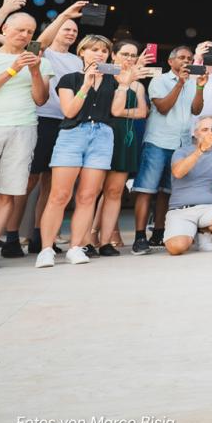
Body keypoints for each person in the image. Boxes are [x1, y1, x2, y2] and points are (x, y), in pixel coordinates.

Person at [36, 35, 136, 267]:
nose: (99, 54)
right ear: (82, 52)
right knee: (59, 195)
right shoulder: (69, 79)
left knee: (88, 196)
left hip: (102, 136)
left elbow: (116, 111)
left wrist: (124, 85)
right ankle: (46, 249)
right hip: (73, 134)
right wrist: (86, 85)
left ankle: (76, 247)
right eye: (93, 49)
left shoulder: (113, 80)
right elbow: (69, 111)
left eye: (103, 50)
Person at [5, 0, 80, 257]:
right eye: (66, 28)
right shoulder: (43, 52)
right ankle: (12, 236)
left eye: (74, 30)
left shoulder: (77, 60)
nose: (70, 32)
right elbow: (42, 42)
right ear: (55, 30)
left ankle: (40, 236)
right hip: (43, 119)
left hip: (67, 122)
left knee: (51, 182)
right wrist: (65, 15)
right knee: (28, 180)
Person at [130, 45, 204, 255]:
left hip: (181, 145)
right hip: (158, 142)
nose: (186, 61)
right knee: (146, 190)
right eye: (182, 57)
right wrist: (180, 83)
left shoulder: (192, 82)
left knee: (167, 192)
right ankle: (139, 237)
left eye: (189, 58)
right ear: (171, 61)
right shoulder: (159, 80)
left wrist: (199, 87)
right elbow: (163, 107)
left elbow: (196, 110)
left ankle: (158, 233)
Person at [0, 10, 52, 259]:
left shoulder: (40, 62)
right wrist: (12, 69)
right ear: (5, 29)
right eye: (20, 29)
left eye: (30, 32)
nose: (25, 35)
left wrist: (35, 71)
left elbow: (41, 99)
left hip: (24, 128)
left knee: (8, 191)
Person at [91, 39, 150, 256]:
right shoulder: (103, 76)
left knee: (115, 191)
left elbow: (142, 112)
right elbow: (108, 110)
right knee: (93, 191)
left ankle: (105, 241)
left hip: (126, 138)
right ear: (113, 55)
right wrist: (124, 111)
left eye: (133, 55)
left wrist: (120, 112)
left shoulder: (138, 84)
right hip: (101, 136)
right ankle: (88, 238)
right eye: (125, 54)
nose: (129, 58)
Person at [162, 116, 212, 255]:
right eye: (205, 130)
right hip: (181, 210)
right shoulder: (182, 151)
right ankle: (191, 232)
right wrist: (200, 150)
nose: (210, 133)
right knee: (176, 248)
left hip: (207, 208)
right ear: (196, 133)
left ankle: (202, 230)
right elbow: (178, 173)